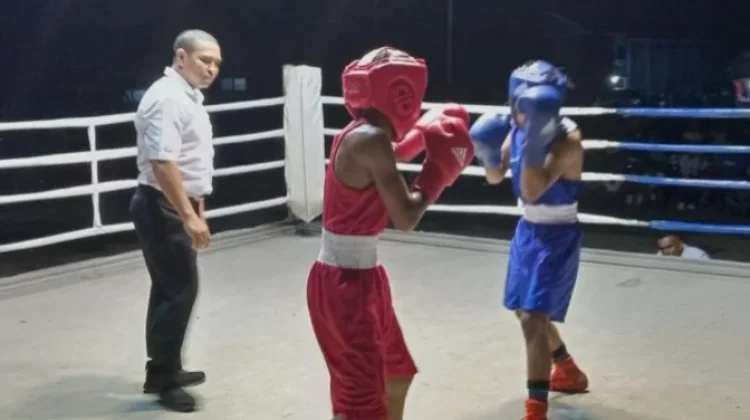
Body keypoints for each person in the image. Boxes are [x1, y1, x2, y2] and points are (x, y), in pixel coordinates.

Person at [306, 46, 474, 420]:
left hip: (362, 276)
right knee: (360, 401)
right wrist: (438, 172)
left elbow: (396, 154)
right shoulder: (368, 139)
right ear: (403, 93)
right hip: (345, 283)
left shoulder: (367, 133)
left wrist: (425, 130)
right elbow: (406, 217)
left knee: (396, 374)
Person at [469, 60, 588, 420]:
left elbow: (531, 190)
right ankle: (567, 369)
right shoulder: (514, 127)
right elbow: (495, 176)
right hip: (528, 230)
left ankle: (536, 410)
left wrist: (534, 139)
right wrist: (486, 150)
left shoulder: (568, 142)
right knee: (523, 310)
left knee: (533, 319)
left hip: (558, 234)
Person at [129, 29, 222, 413]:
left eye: (216, 63)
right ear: (181, 57)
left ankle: (165, 367)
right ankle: (163, 378)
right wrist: (187, 215)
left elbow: (189, 162)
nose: (211, 69)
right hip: (163, 205)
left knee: (171, 288)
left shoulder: (186, 96)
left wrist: (197, 210)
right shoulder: (168, 98)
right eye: (205, 60)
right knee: (179, 291)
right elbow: (163, 162)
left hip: (174, 204)